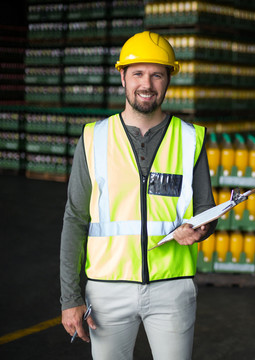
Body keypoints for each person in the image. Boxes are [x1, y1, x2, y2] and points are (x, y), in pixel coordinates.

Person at [60, 31, 217, 359]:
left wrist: (201, 229)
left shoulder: (191, 140)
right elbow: (76, 218)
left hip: (172, 288)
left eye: (157, 74)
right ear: (122, 77)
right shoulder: (94, 138)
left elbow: (206, 208)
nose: (147, 84)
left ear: (168, 79)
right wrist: (70, 298)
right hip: (106, 290)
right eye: (138, 74)